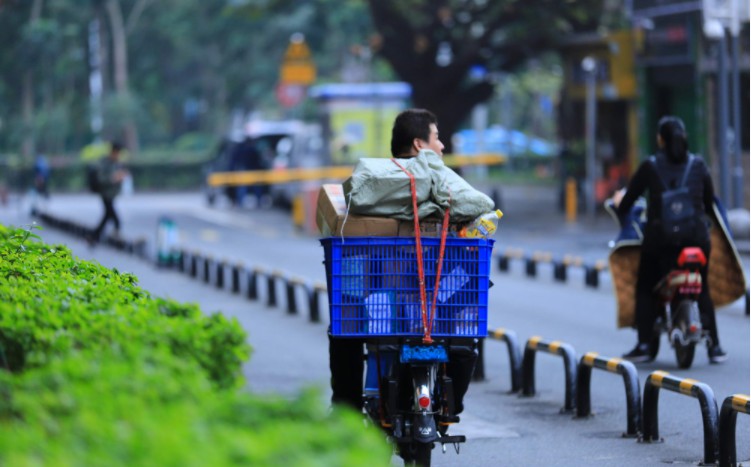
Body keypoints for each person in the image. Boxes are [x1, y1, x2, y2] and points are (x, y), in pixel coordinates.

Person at [328, 108, 478, 414]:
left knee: (345, 330)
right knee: (465, 326)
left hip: (376, 296)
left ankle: (346, 409)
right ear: (419, 145)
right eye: (437, 137)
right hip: (434, 300)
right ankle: (451, 405)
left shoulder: (373, 177)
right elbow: (478, 205)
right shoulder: (439, 177)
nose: (442, 146)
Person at [614, 116, 726, 364]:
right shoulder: (698, 165)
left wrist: (620, 208)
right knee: (703, 286)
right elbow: (708, 204)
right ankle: (715, 347)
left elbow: (628, 201)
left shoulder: (650, 166)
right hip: (697, 239)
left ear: (661, 139)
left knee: (644, 286)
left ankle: (644, 344)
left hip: (661, 242)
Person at [89, 141, 128, 244]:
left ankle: (94, 236)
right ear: (114, 152)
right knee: (111, 214)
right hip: (105, 193)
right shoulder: (104, 163)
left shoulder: (116, 163)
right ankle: (115, 230)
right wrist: (114, 178)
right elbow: (101, 179)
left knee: (107, 215)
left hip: (111, 193)